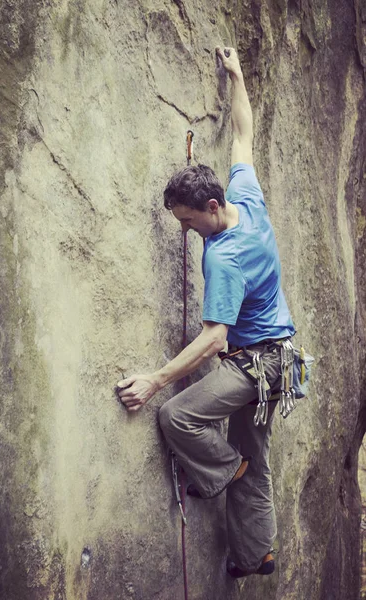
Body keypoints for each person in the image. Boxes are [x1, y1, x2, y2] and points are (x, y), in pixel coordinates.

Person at [117, 46, 296, 577]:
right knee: (258, 462)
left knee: (178, 416)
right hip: (280, 362)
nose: (186, 230)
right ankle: (254, 554)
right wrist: (236, 75)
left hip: (253, 366)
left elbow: (215, 339)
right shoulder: (245, 197)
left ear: (211, 208)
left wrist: (154, 380)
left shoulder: (224, 259)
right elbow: (243, 133)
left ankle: (223, 470)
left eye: (190, 221)